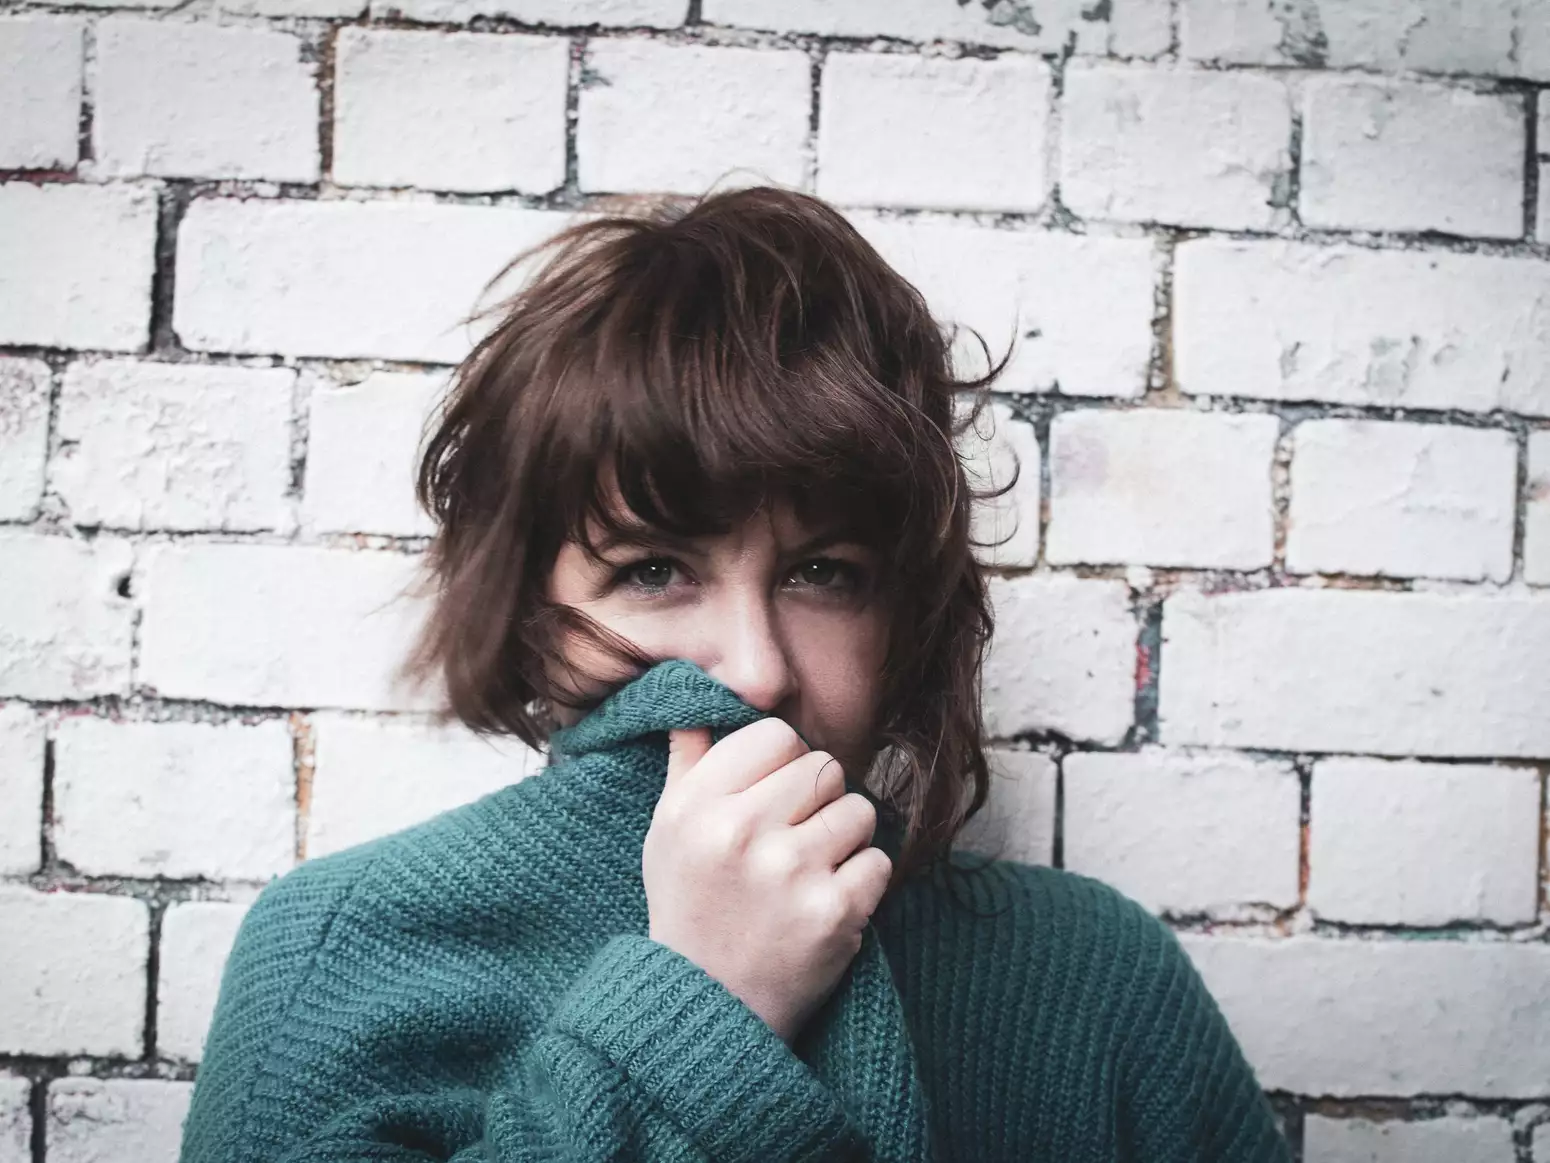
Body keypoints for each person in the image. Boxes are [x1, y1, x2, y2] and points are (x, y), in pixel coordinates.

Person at [178, 185, 1292, 1162]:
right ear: (527, 610)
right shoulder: (341, 946)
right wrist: (705, 1005)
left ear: (903, 613)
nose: (756, 673)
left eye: (823, 573)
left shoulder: (1092, 974)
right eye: (654, 570)